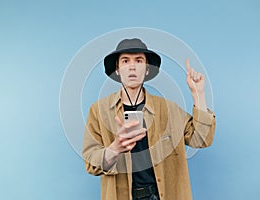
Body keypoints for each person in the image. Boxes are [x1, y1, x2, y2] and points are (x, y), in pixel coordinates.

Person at [82, 38, 216, 200]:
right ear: (117, 69)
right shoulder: (98, 110)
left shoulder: (168, 109)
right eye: (125, 61)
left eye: (139, 60)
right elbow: (91, 164)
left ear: (146, 69)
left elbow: (201, 139)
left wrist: (198, 94)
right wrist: (114, 149)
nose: (132, 66)